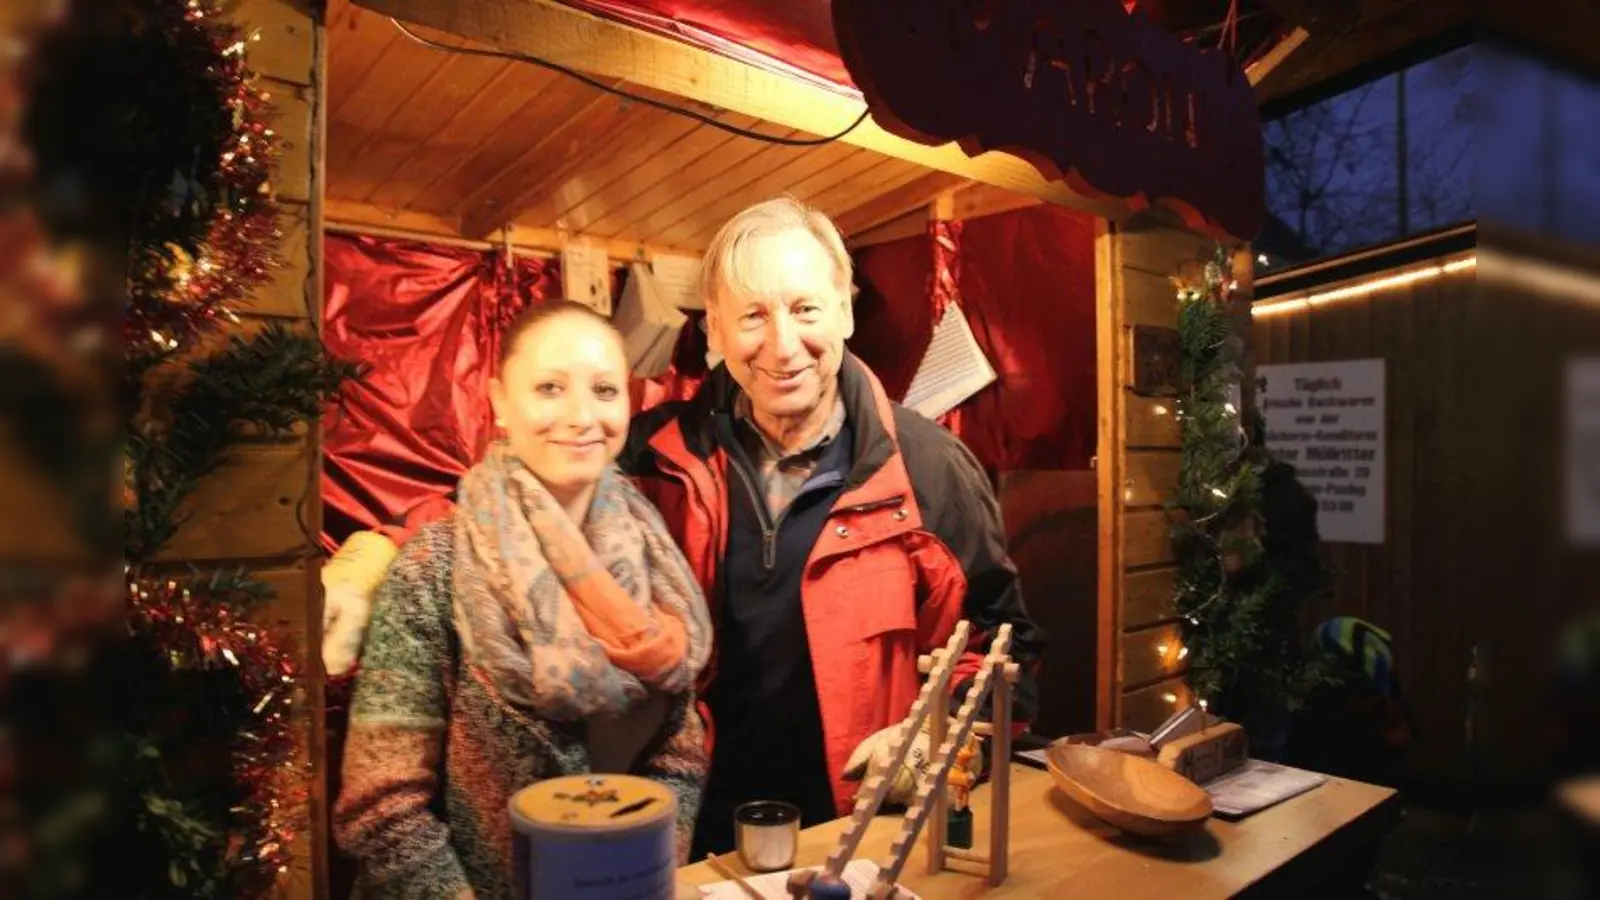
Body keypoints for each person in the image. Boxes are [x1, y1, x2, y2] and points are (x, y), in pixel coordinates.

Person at [618, 196, 1045, 856]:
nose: (783, 346)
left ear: (845, 310)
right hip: (689, 833)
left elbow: (1001, 648)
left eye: (805, 308)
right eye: (753, 315)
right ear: (715, 334)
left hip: (859, 835)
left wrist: (940, 735)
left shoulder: (931, 469)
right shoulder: (650, 456)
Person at [333, 301, 713, 899]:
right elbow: (383, 806)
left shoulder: (654, 556)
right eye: (549, 388)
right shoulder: (435, 568)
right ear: (501, 401)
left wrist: (643, 868)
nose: (581, 415)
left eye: (604, 389)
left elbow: (679, 749)